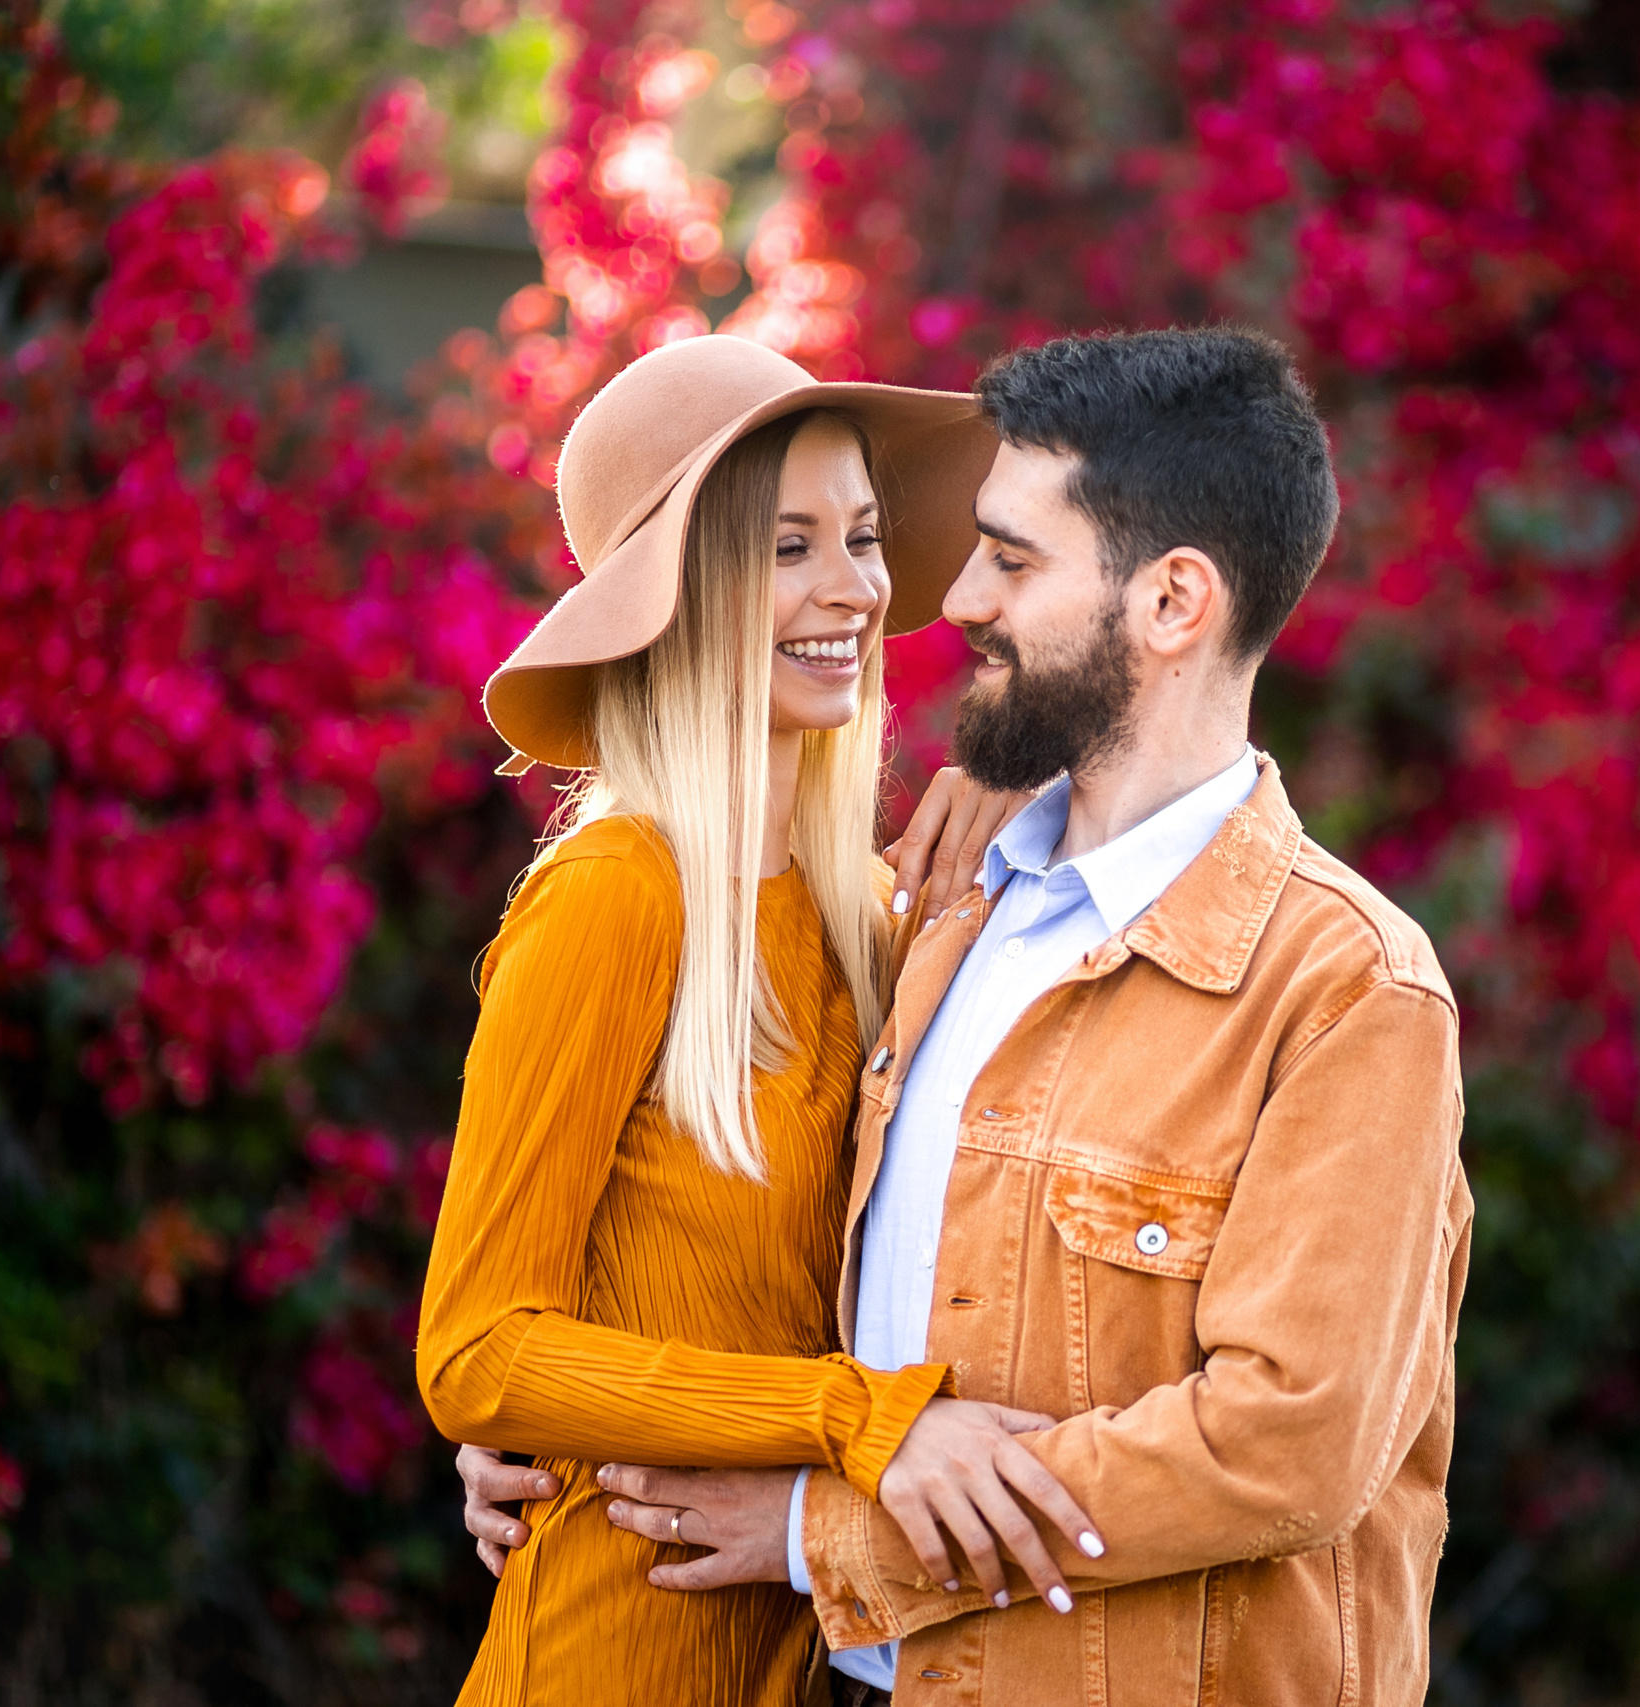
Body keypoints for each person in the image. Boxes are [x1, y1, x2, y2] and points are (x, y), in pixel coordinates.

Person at [461, 326, 1474, 1704]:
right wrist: (553, 1416)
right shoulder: (930, 917)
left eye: (1009, 558)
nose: (940, 598)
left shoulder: (1332, 987)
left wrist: (826, 1532)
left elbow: (1287, 1445)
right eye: (788, 545)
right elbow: (566, 1317)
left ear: (1173, 603)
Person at [417, 334, 1105, 1707]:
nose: (856, 588)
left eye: (859, 537)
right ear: (677, 593)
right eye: (788, 548)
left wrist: (1033, 787)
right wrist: (855, 1424)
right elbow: (480, 1349)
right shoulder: (615, 896)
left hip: (808, 1653)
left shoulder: (867, 914)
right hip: (616, 1655)